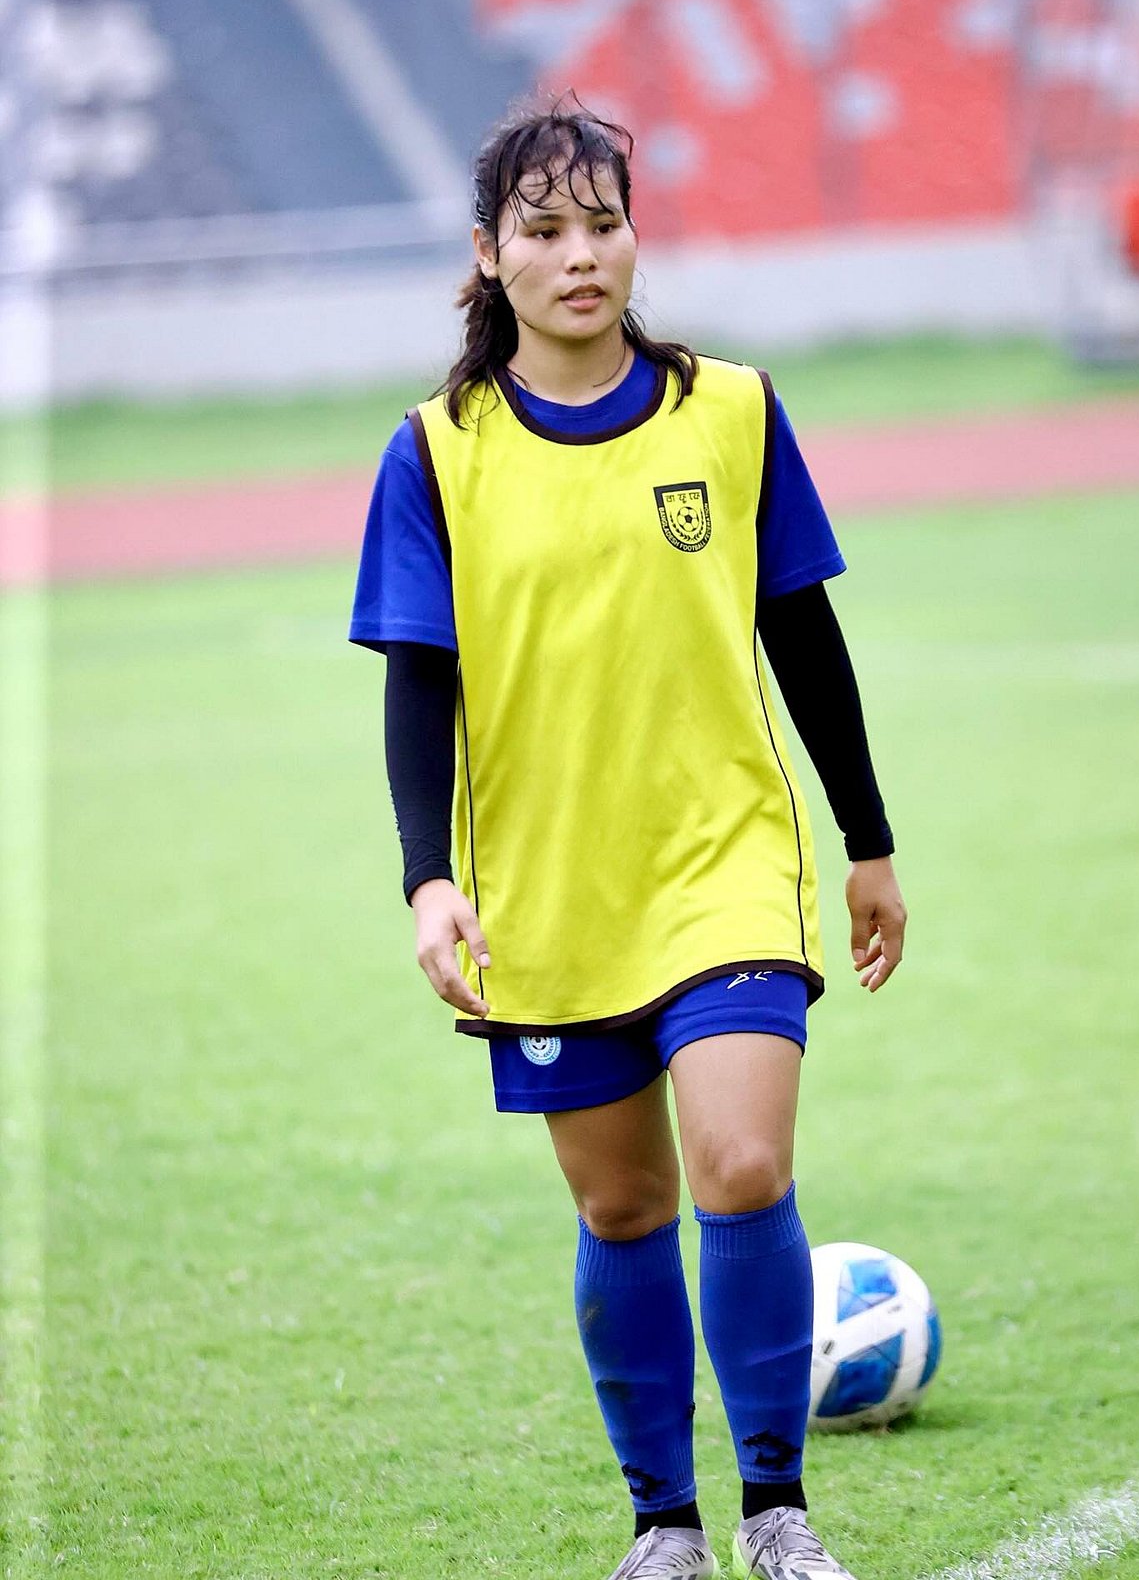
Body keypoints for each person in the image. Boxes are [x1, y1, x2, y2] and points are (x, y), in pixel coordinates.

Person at [349, 95, 907, 1580]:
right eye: (544, 230)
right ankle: (665, 1526)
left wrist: (867, 840)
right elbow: (419, 684)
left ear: (636, 237)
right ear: (490, 254)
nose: (580, 255)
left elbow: (804, 632)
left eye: (604, 224)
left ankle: (777, 1512)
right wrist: (427, 882)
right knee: (623, 1202)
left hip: (724, 862)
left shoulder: (730, 411)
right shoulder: (438, 453)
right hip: (550, 891)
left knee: (740, 1162)